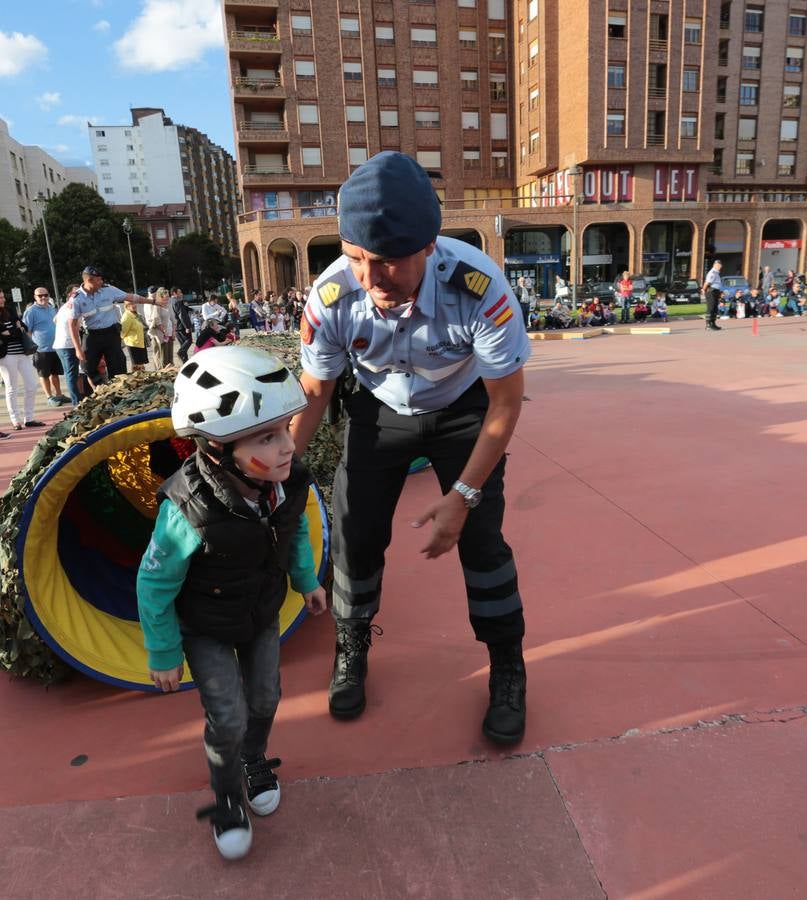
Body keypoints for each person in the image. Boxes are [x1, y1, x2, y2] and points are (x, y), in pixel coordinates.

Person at [289, 151, 531, 745]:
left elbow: (506, 406)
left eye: (390, 261)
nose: (372, 280)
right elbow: (315, 394)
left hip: (463, 410)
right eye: (356, 258)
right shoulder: (330, 299)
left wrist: (464, 494)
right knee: (356, 535)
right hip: (379, 411)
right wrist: (278, 475)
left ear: (429, 245)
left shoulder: (480, 290)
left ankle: (507, 666)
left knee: (480, 539)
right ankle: (352, 646)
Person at [138, 346, 327, 861]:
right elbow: (153, 584)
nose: (287, 446)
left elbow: (293, 533)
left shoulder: (281, 483)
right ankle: (226, 798)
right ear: (220, 448)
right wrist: (162, 651)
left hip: (260, 612)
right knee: (228, 714)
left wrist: (306, 579)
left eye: (286, 429)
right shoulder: (188, 509)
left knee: (265, 699)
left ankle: (254, 760)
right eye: (268, 437)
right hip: (206, 626)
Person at [67, 265, 168, 388]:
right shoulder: (76, 299)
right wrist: (77, 349)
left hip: (110, 334)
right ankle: (101, 387)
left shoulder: (108, 290)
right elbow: (72, 324)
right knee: (86, 366)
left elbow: (130, 297)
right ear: (89, 281)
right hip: (92, 336)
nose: (102, 282)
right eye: (98, 280)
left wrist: (153, 301)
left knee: (118, 365)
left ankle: (117, 390)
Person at [0, 285, 44, 431]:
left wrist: (9, 332)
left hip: (22, 352)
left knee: (32, 384)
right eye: (0, 297)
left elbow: (24, 328)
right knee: (12, 387)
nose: (3, 299)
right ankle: (15, 420)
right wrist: (13, 330)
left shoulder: (9, 310)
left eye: (3, 296)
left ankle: (29, 418)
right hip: (5, 356)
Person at [23, 287, 69, 407]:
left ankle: (59, 394)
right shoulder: (31, 311)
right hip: (41, 349)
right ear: (35, 297)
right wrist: (31, 346)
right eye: (40, 296)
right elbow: (26, 330)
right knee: (44, 374)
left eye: (45, 295)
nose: (43, 297)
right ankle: (49, 397)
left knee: (55, 373)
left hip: (55, 347)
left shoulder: (52, 308)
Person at [53, 284, 86, 404]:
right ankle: (76, 402)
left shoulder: (65, 306)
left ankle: (77, 399)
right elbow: (74, 326)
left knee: (72, 373)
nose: (79, 294)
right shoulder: (72, 306)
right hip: (67, 345)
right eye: (76, 292)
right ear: (70, 295)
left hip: (61, 344)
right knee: (71, 374)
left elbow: (55, 320)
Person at [146, 287, 178, 368]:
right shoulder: (157, 306)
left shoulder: (169, 305)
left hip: (170, 333)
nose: (168, 298)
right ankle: (163, 373)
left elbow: (173, 319)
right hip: (161, 334)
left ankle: (170, 372)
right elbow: (157, 320)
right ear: (160, 297)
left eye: (168, 296)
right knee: (163, 357)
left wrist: (174, 331)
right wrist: (164, 332)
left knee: (170, 356)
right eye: (166, 297)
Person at [121, 299, 149, 373]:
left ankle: (143, 380)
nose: (133, 305)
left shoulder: (136, 314)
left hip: (140, 343)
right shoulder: (126, 317)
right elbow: (123, 333)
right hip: (133, 344)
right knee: (137, 366)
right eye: (130, 304)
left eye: (134, 303)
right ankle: (137, 381)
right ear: (126, 306)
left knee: (141, 365)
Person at [703, 260, 724, 331]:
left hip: (715, 291)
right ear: (714, 265)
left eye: (720, 265)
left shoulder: (717, 273)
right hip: (711, 291)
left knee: (715, 308)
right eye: (718, 265)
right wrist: (703, 290)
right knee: (711, 308)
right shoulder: (712, 273)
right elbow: (707, 282)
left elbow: (717, 284)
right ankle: (708, 324)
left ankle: (713, 323)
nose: (720, 267)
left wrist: (720, 291)